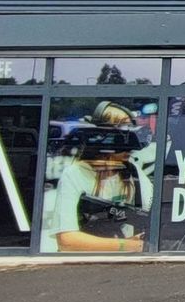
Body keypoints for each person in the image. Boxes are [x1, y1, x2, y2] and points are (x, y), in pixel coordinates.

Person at [41, 100, 155, 252]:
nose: (130, 144)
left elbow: (155, 212)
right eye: (123, 132)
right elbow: (67, 241)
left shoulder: (132, 172)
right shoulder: (75, 174)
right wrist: (129, 245)